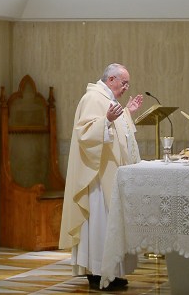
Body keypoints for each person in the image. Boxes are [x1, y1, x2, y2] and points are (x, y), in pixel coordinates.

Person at [59, 63, 143, 290]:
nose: (126, 87)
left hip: (109, 175)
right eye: (124, 82)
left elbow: (115, 127)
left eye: (128, 83)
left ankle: (112, 272)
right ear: (111, 79)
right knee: (100, 225)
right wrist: (106, 120)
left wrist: (127, 112)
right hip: (96, 179)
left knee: (110, 226)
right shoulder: (92, 98)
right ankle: (98, 273)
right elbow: (85, 133)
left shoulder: (107, 99)